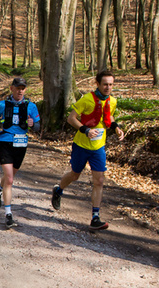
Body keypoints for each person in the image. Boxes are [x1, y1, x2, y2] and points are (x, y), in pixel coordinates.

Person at [50, 70, 124, 230]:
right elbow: (71, 118)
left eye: (111, 84)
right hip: (81, 145)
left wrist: (116, 127)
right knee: (75, 175)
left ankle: (95, 217)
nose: (108, 87)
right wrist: (86, 130)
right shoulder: (87, 99)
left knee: (99, 181)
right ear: (97, 84)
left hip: (98, 148)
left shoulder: (112, 101)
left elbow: (108, 117)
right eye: (105, 84)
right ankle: (58, 190)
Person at [0, 76, 40, 228]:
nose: (20, 90)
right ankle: (8, 214)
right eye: (17, 87)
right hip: (5, 142)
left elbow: (38, 127)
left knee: (9, 176)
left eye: (23, 88)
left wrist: (33, 124)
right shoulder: (3, 104)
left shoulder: (31, 106)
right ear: (12, 88)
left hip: (21, 143)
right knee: (10, 179)